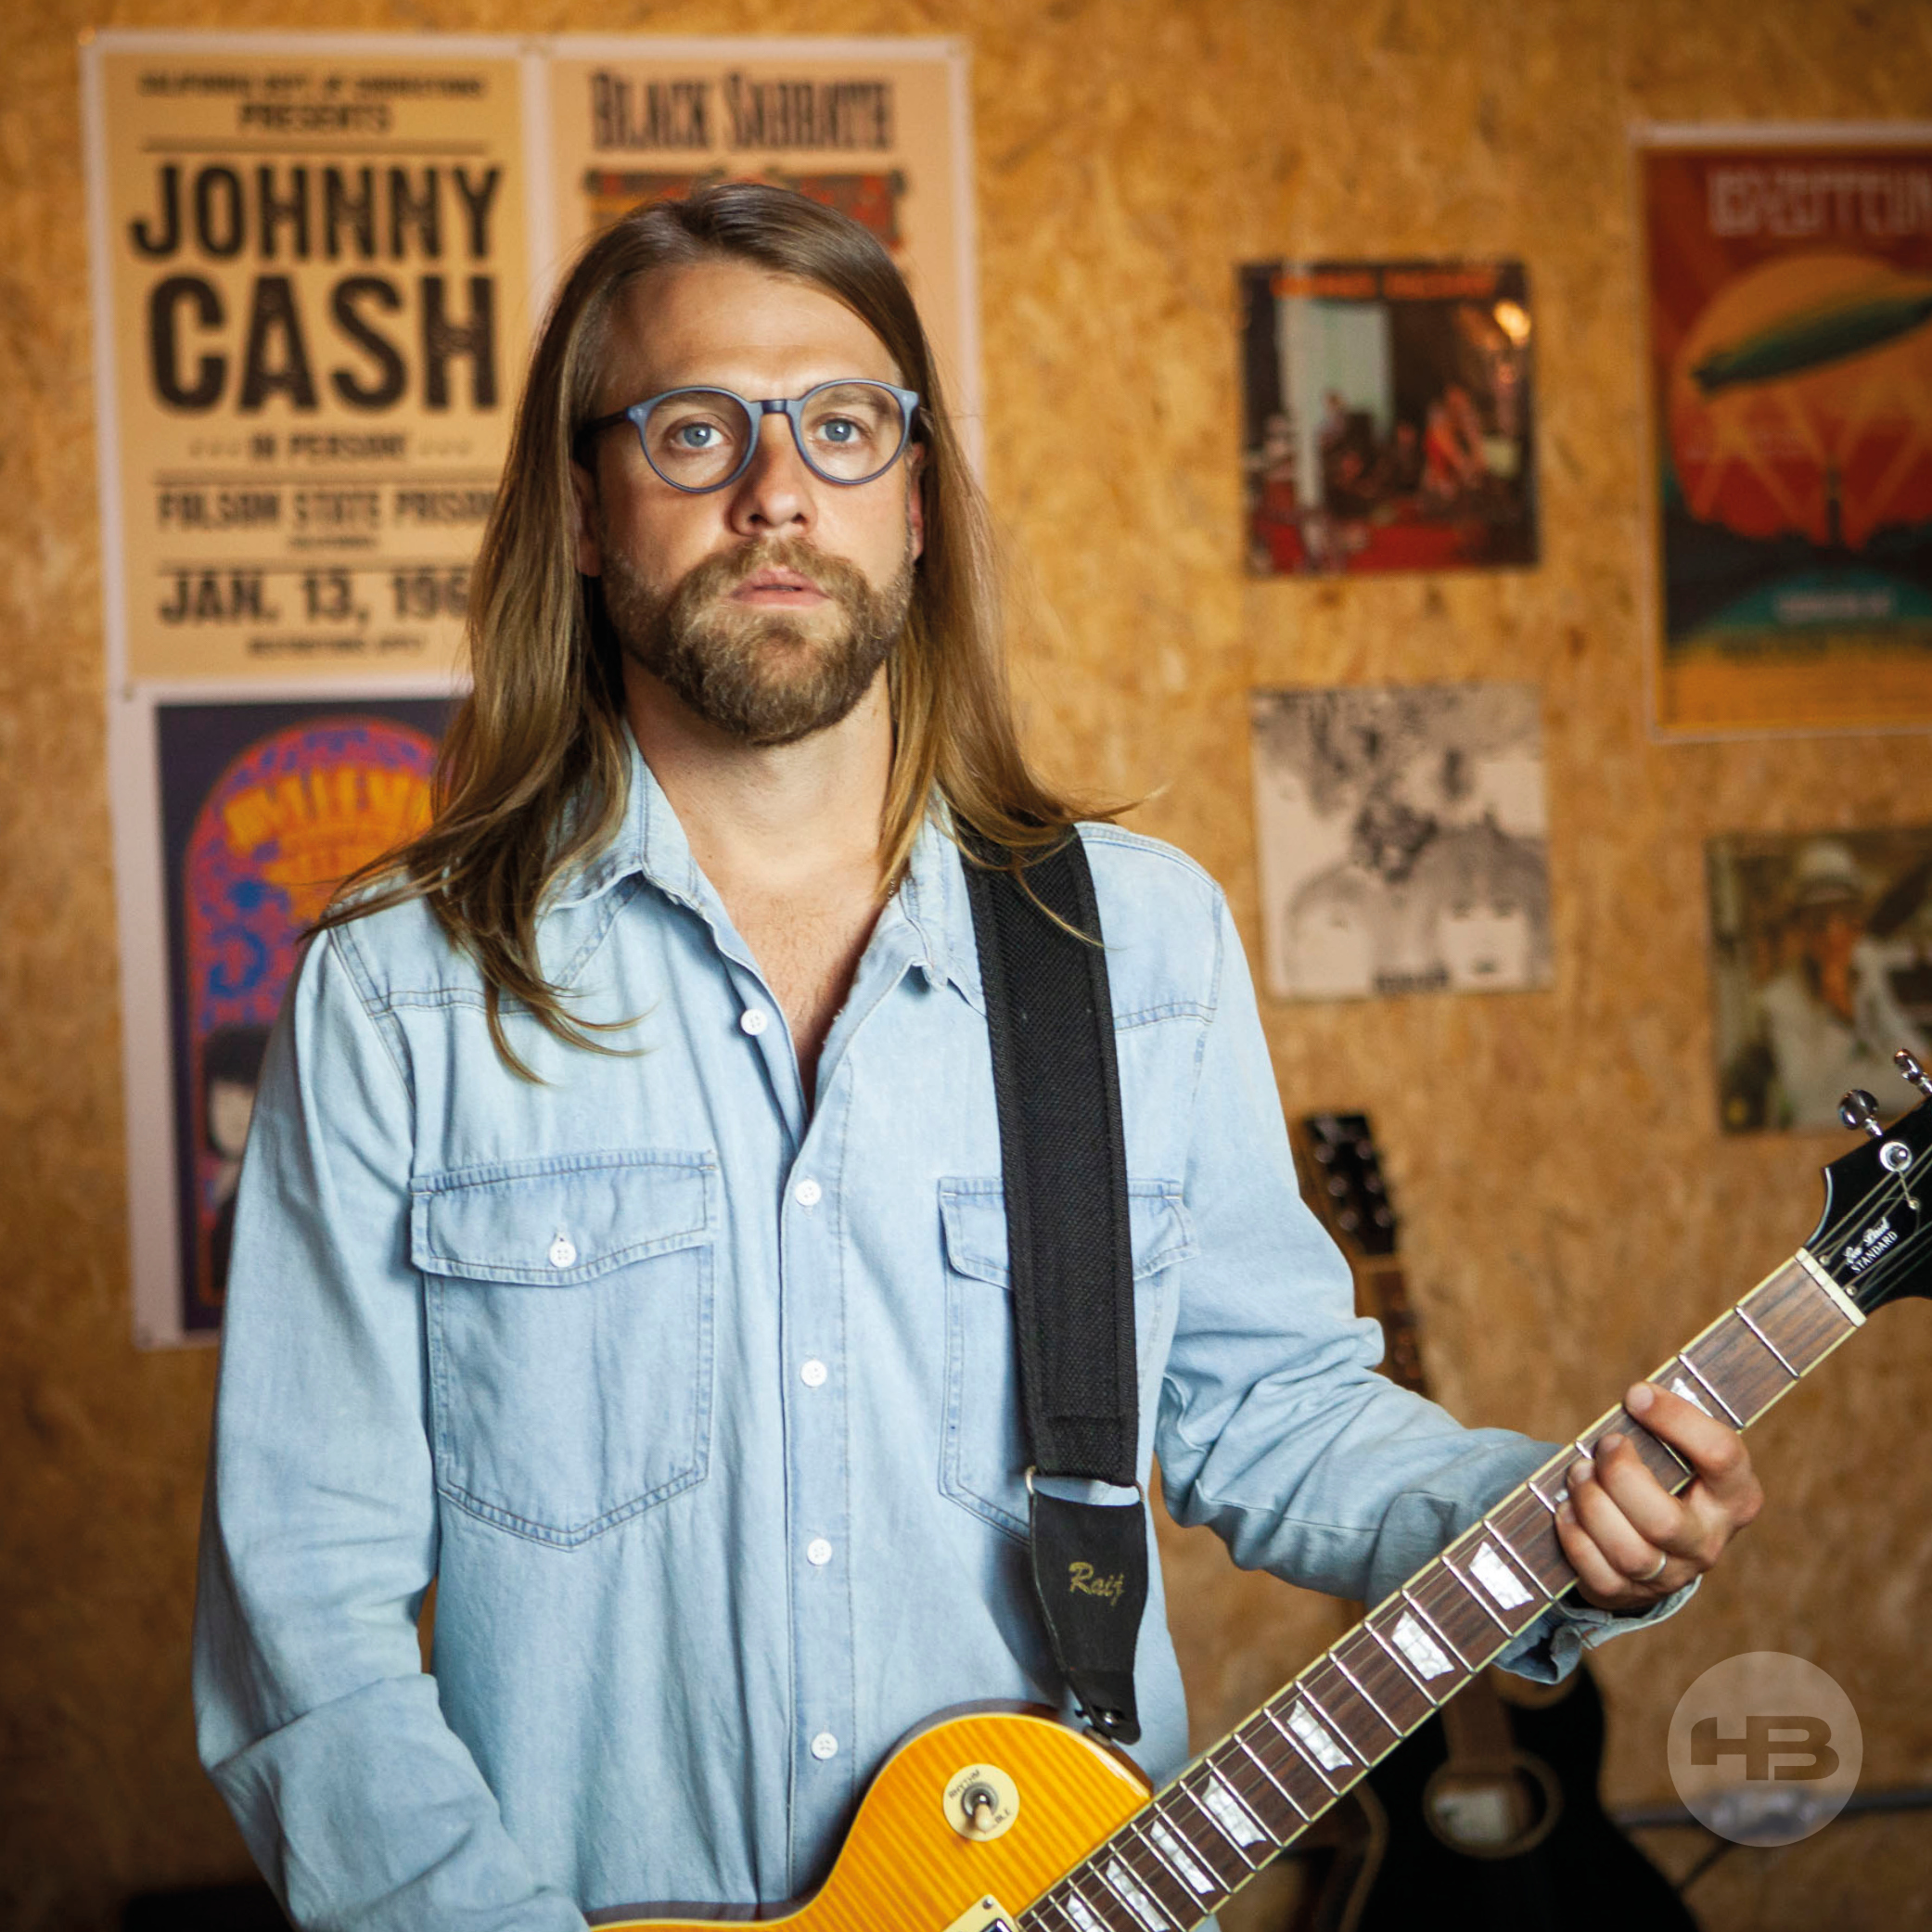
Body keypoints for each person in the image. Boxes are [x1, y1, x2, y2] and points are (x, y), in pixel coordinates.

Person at [193, 184, 1761, 1931]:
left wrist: (1554, 1528)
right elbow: (301, 1619)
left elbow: (1275, 1417)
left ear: (918, 501)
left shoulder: (1138, 949)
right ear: (578, 511)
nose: (778, 491)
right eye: (697, 429)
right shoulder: (401, 992)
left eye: (842, 426)